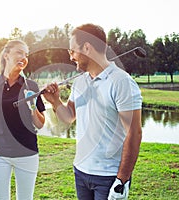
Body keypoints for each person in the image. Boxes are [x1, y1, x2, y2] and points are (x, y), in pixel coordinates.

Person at [43, 23, 142, 200]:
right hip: (80, 171)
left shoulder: (121, 82)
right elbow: (69, 117)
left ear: (87, 48)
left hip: (109, 177)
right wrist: (56, 101)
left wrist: (122, 179)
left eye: (72, 51)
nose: (71, 56)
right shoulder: (80, 81)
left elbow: (134, 133)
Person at [0, 40, 46, 200]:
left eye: (26, 54)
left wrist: (32, 107)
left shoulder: (32, 86)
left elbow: (40, 124)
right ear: (6, 55)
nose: (24, 57)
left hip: (27, 155)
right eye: (19, 52)